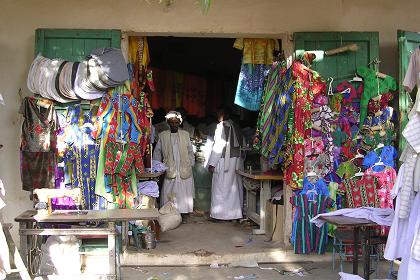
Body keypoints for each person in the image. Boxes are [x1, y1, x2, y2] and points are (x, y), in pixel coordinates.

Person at [153, 111, 195, 218]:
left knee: (184, 191)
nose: (174, 124)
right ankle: (170, 212)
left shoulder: (185, 135)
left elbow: (190, 151)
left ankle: (184, 213)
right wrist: (157, 167)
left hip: (184, 168)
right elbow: (157, 152)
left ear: (179, 123)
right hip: (170, 168)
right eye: (171, 122)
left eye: (176, 122)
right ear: (168, 123)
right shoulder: (163, 136)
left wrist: (190, 163)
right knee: (170, 189)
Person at [207, 107, 244, 220]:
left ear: (223, 114)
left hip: (223, 161)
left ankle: (220, 215)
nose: (217, 115)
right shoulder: (236, 126)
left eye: (219, 112)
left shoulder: (221, 126)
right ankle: (234, 214)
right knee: (234, 187)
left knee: (220, 187)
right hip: (236, 160)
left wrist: (212, 163)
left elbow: (218, 146)